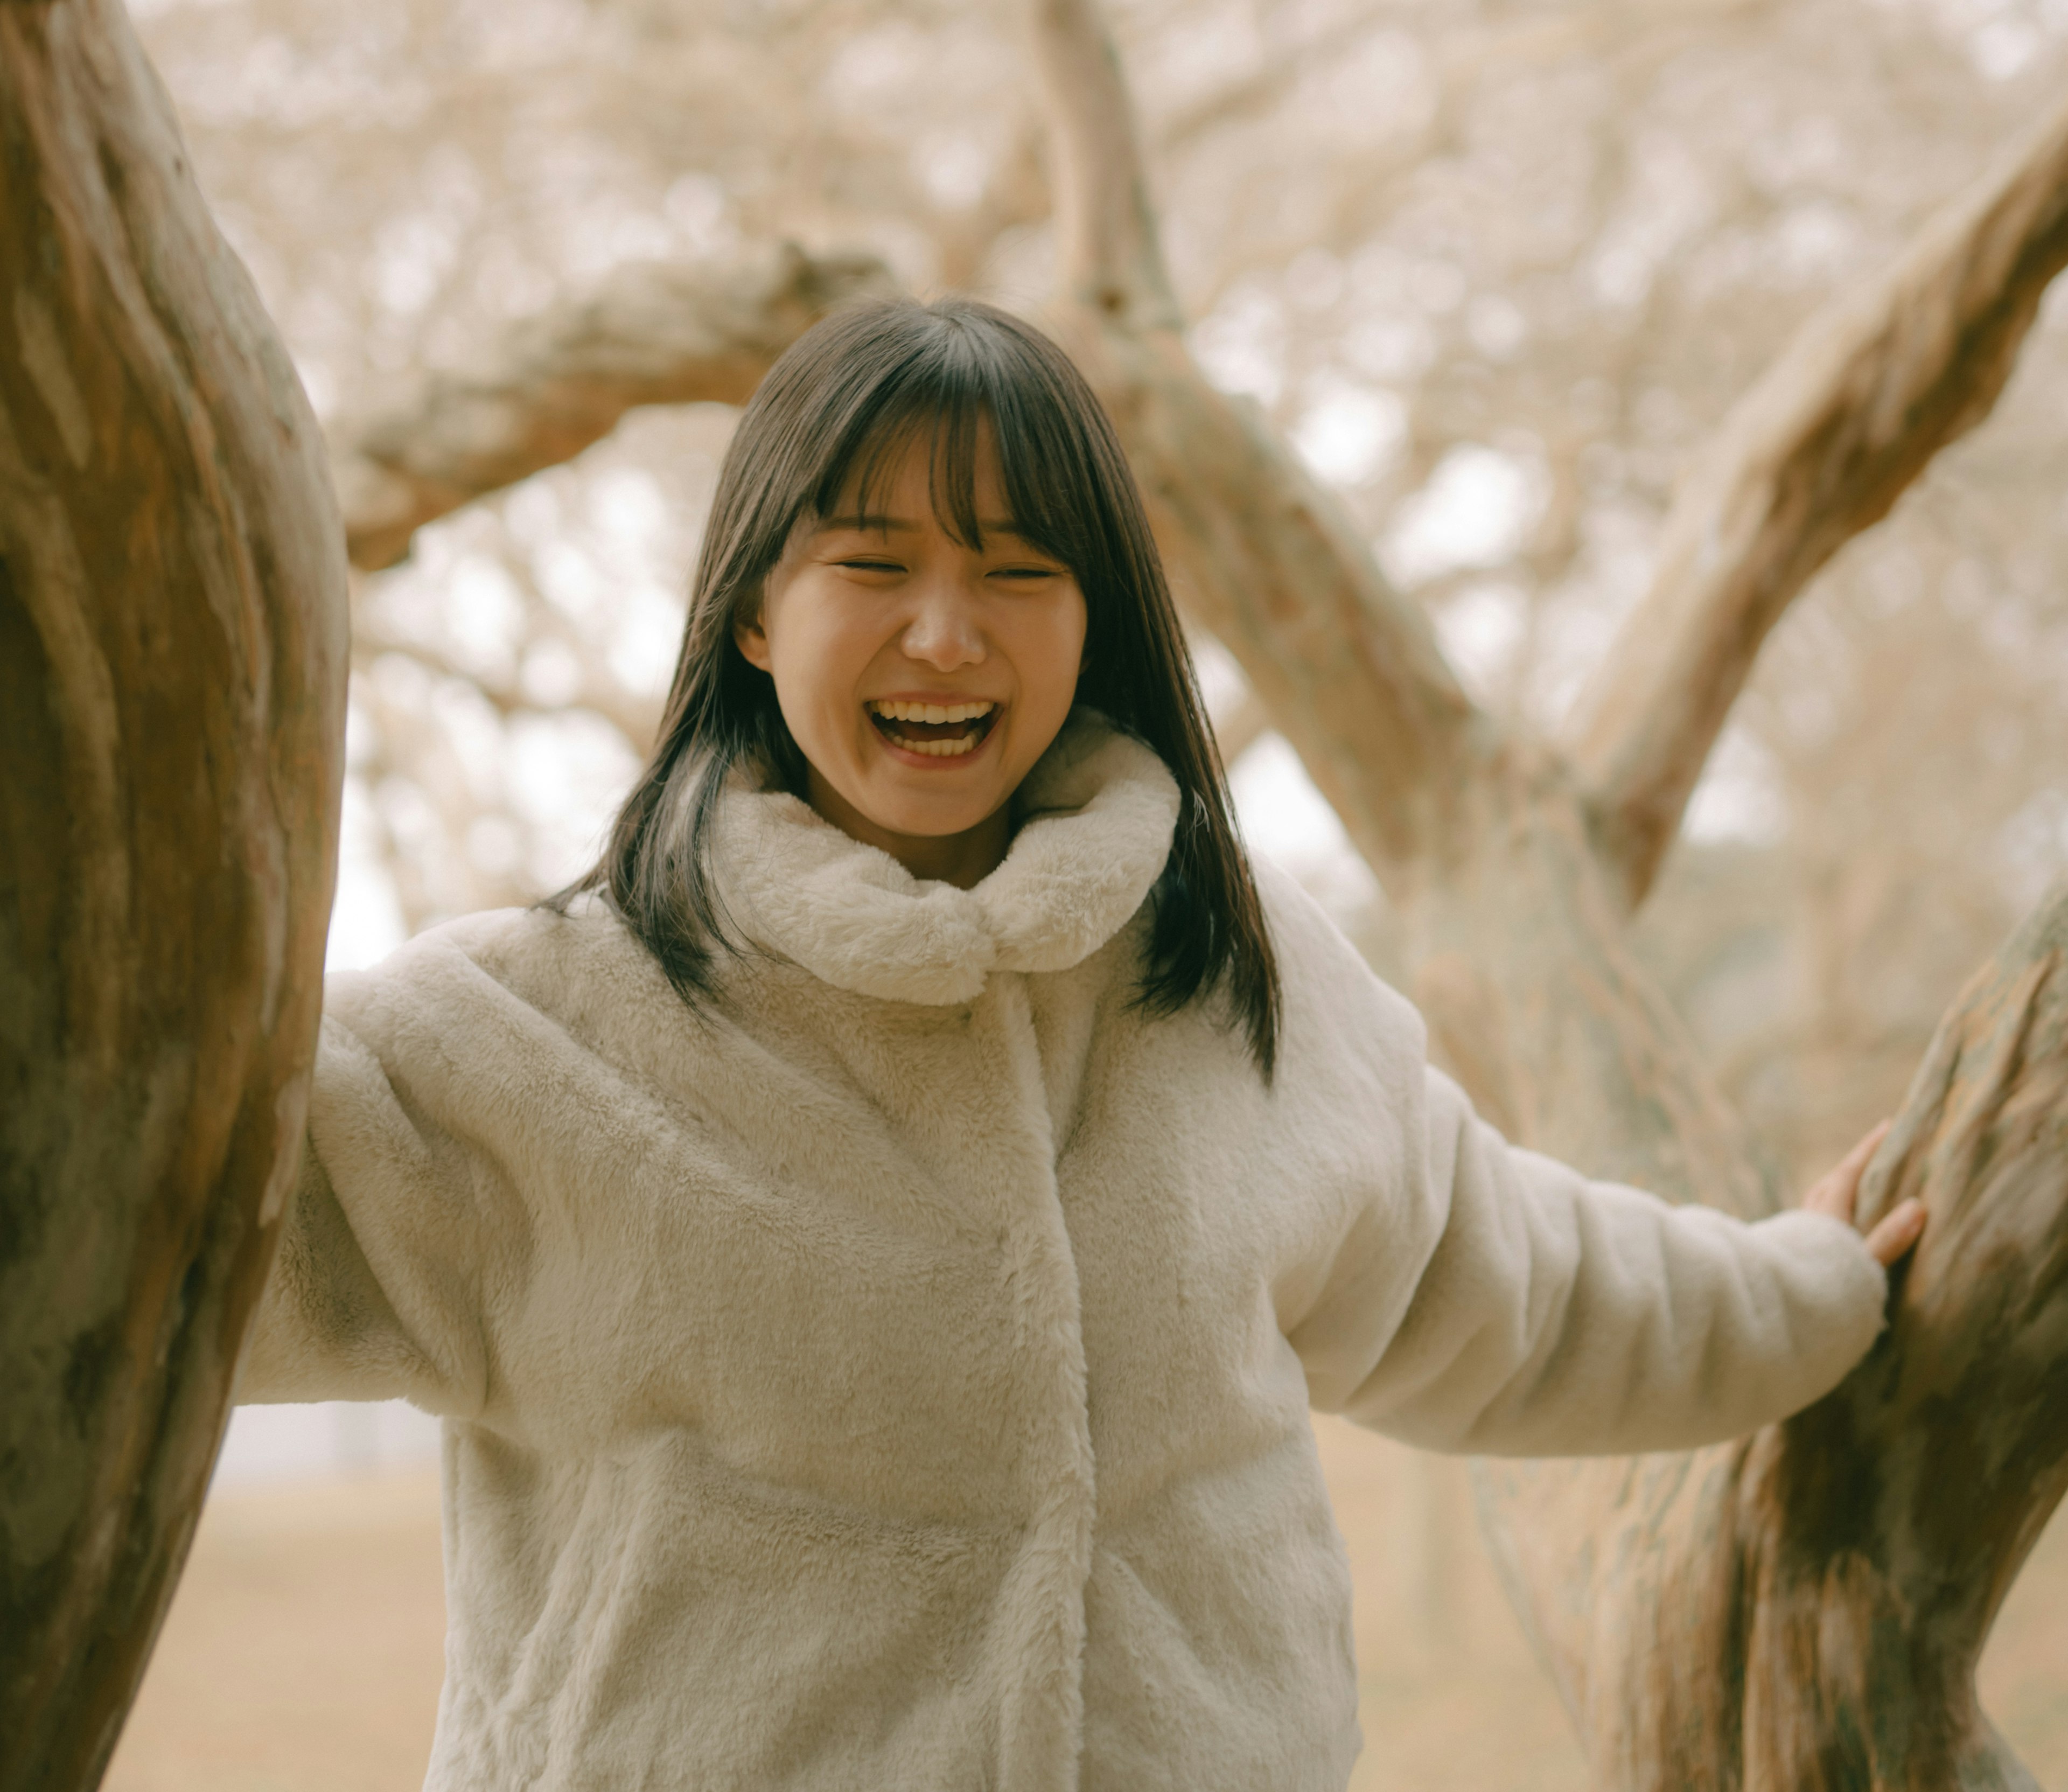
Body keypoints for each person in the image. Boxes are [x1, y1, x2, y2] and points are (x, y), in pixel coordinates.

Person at [242, 295, 1925, 1792]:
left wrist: (1819, 1287)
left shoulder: (1246, 987)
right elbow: (141, 1217)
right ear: (755, 613)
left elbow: (1526, 1287)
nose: (947, 632)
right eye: (875, 564)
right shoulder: (527, 1037)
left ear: (1095, 623)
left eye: (1019, 570)